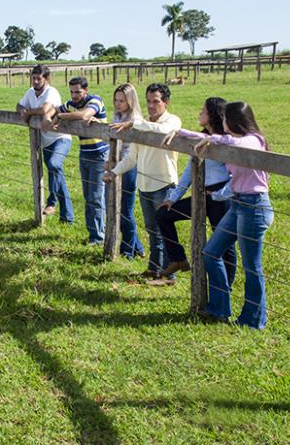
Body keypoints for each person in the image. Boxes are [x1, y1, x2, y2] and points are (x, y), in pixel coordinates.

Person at [185, 102, 273, 329]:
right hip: (237, 203)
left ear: (233, 121)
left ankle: (253, 320)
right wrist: (181, 134)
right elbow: (237, 180)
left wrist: (212, 138)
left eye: (225, 119)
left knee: (252, 266)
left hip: (254, 207)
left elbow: (236, 142)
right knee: (211, 252)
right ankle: (220, 308)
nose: (222, 123)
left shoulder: (254, 139)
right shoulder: (232, 141)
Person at [151, 97, 237, 287]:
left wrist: (220, 194)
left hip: (220, 198)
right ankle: (178, 259)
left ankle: (226, 289)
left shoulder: (226, 143)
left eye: (203, 111)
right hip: (201, 196)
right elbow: (189, 172)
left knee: (225, 246)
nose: (200, 113)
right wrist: (173, 198)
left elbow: (235, 175)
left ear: (213, 115)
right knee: (163, 214)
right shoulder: (201, 139)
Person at [103, 83, 181, 280]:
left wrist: (134, 124)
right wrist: (114, 172)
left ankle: (168, 275)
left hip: (163, 184)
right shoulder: (142, 123)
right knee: (152, 230)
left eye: (156, 101)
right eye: (148, 101)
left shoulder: (172, 120)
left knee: (164, 231)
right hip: (145, 185)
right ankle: (155, 269)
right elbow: (131, 157)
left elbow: (163, 130)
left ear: (166, 102)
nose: (151, 105)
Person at [53, 76, 108, 244]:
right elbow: (55, 109)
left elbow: (84, 115)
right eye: (71, 92)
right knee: (88, 196)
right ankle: (94, 233)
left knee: (96, 197)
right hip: (85, 153)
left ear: (86, 90)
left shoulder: (95, 100)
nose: (74, 95)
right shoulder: (71, 104)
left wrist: (61, 116)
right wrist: (55, 117)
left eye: (78, 92)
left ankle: (99, 237)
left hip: (100, 155)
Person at [17, 64, 74, 223]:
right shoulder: (30, 92)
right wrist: (22, 110)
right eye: (33, 78)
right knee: (57, 173)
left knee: (54, 165)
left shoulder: (52, 92)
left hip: (60, 138)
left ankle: (51, 202)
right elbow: (19, 104)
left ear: (46, 79)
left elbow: (45, 109)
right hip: (46, 142)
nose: (35, 81)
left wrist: (29, 112)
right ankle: (67, 217)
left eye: (38, 78)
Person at [109, 83, 145, 258]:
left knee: (125, 210)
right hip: (117, 164)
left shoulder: (134, 117)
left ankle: (127, 250)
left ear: (130, 101)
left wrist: (131, 123)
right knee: (118, 207)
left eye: (122, 100)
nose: (118, 104)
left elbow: (141, 123)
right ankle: (137, 247)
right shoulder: (117, 115)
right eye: (116, 100)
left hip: (130, 166)